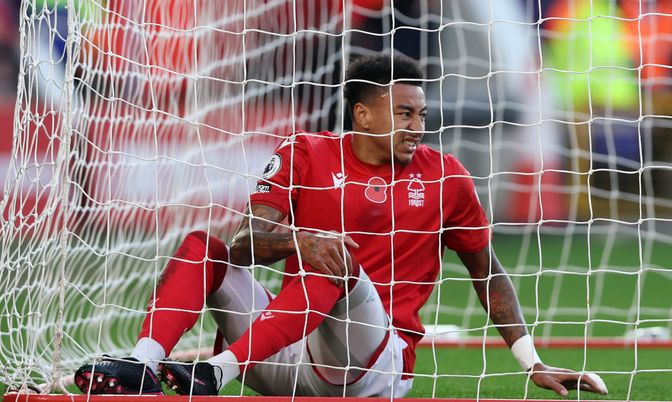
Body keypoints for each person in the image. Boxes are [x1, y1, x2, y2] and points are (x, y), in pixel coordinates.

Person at [74, 54, 608, 398]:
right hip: (279, 355)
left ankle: (213, 374)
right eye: (403, 113)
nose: (417, 127)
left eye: (421, 115)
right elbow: (245, 243)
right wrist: (296, 238)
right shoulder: (303, 153)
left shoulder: (448, 177)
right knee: (203, 245)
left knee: (336, 259)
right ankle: (142, 366)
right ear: (362, 115)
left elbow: (488, 274)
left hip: (374, 366)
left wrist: (532, 362)